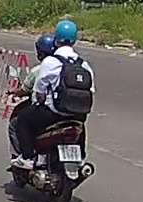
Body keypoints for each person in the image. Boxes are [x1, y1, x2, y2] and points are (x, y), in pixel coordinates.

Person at [12, 20, 96, 170]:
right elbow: (91, 90)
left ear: (56, 39)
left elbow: (39, 91)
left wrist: (41, 101)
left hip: (54, 113)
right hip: (79, 114)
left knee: (23, 119)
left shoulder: (51, 62)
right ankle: (81, 158)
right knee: (79, 126)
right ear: (74, 40)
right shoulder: (84, 65)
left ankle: (27, 157)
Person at [7, 34, 56, 160]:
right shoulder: (64, 66)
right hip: (64, 110)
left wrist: (14, 92)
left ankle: (24, 156)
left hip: (45, 110)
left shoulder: (38, 70)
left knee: (17, 123)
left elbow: (26, 90)